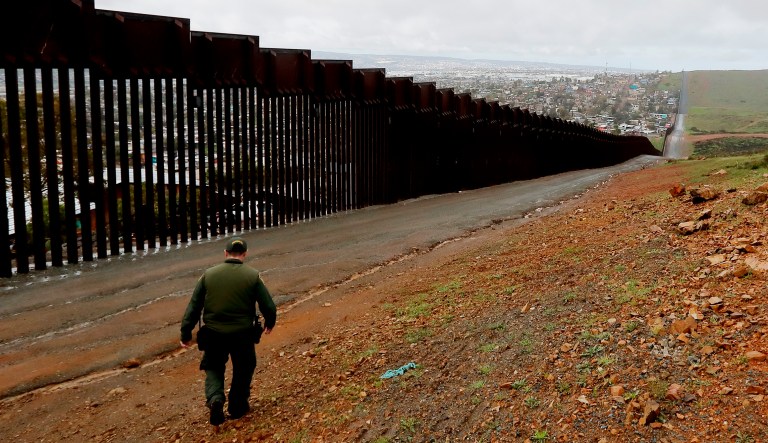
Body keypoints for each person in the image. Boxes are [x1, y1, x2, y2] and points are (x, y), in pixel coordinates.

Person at [180, 237, 277, 426]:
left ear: (225, 254)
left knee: (214, 367)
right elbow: (268, 306)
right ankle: (237, 406)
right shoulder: (253, 275)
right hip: (242, 334)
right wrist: (270, 323)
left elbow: (193, 307)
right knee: (244, 367)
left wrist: (185, 334)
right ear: (245, 254)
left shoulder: (208, 275)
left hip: (214, 333)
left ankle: (216, 398)